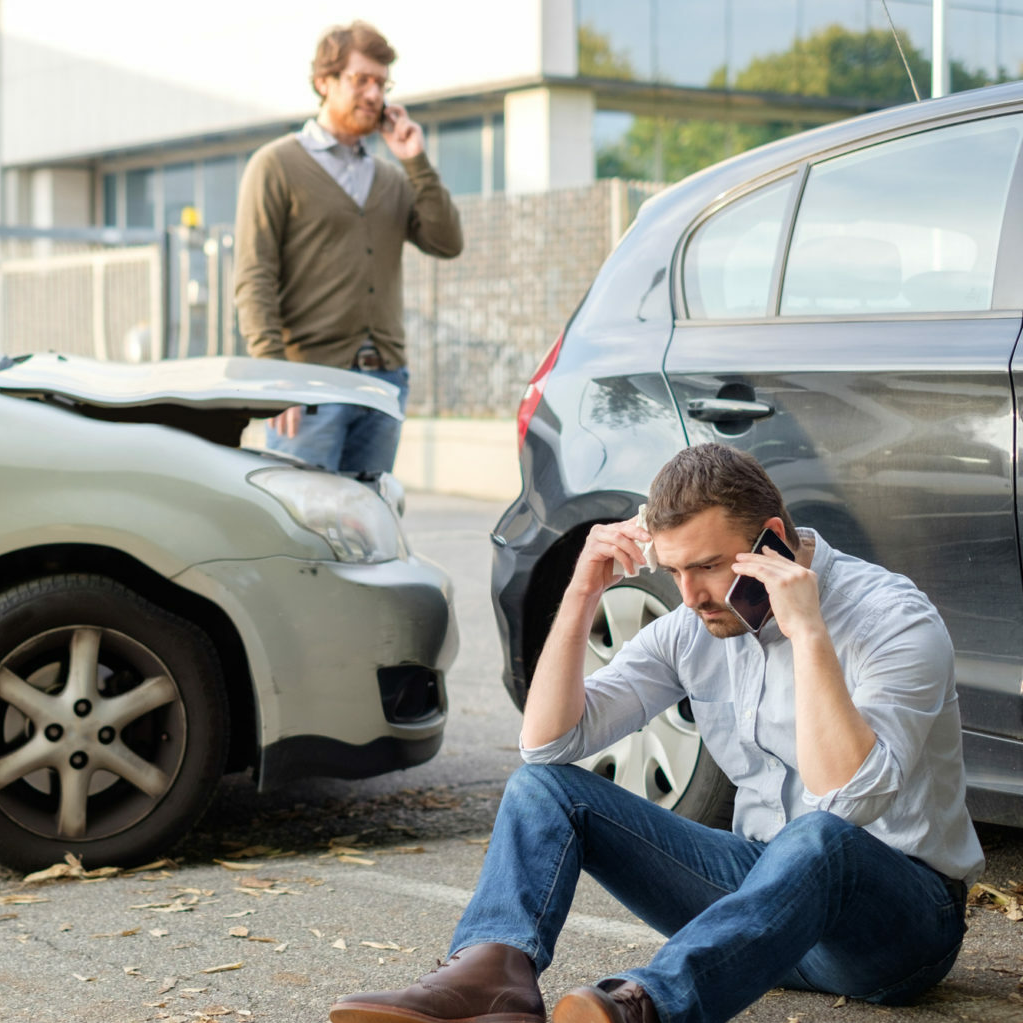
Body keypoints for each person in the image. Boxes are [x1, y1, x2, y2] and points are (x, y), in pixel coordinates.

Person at [329, 442, 984, 1023]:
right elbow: (549, 742)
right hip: (758, 906)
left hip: (890, 929)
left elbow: (846, 799)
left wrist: (806, 632)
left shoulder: (891, 618)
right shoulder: (693, 624)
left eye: (705, 566)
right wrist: (583, 589)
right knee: (543, 788)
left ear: (772, 542)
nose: (690, 594)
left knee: (819, 834)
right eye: (672, 572)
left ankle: (649, 1003)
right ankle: (493, 977)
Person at [234, 21, 463, 474]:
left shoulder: (391, 177)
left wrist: (414, 160)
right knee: (301, 523)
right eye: (361, 80)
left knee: (364, 525)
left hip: (385, 382)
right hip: (308, 382)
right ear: (325, 82)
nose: (374, 95)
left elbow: (446, 241)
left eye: (381, 83)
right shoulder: (276, 165)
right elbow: (253, 277)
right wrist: (277, 377)